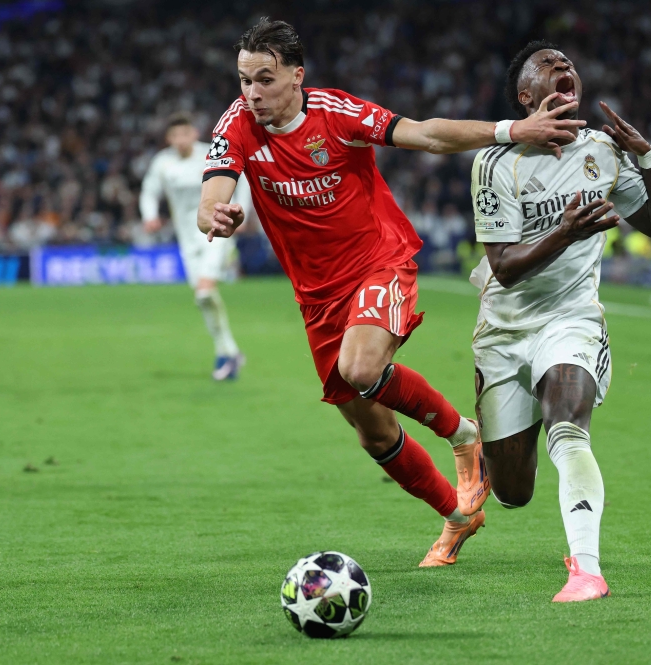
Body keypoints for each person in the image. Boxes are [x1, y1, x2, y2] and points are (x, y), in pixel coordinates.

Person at [197, 18, 585, 566]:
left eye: (265, 79)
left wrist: (512, 130)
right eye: (244, 80)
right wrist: (216, 213)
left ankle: (463, 434)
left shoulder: (337, 113)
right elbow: (210, 196)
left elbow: (426, 135)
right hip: (316, 297)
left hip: (377, 263)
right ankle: (458, 515)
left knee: (360, 367)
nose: (252, 93)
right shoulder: (236, 123)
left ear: (296, 76)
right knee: (374, 433)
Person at [469, 40, 651, 602]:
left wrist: (647, 160)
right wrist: (565, 233)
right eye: (548, 65)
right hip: (505, 330)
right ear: (525, 95)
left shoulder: (602, 151)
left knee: (567, 424)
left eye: (569, 64)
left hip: (572, 316)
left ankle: (587, 570)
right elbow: (504, 268)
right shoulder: (495, 162)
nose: (564, 67)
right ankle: (489, 433)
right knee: (513, 492)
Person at [140, 113, 252, 380]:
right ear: (169, 139)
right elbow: (149, 191)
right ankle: (228, 352)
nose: (181, 140)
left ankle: (228, 355)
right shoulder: (163, 163)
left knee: (204, 292)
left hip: (217, 232)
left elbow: (242, 179)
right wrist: (150, 216)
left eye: (185, 133)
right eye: (175, 135)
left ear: (194, 134)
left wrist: (243, 212)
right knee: (204, 299)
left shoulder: (211, 153)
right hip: (187, 239)